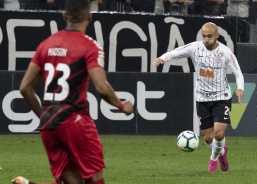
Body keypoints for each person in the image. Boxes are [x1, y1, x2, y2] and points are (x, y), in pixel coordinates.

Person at [11, 0, 133, 183]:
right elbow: (101, 87)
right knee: (95, 177)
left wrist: (44, 116)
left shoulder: (45, 45)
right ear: (89, 16)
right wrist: (123, 106)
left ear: (64, 15)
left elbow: (24, 87)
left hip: (49, 127)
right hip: (75, 121)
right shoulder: (89, 46)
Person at [152, 22, 244, 172]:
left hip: (222, 97)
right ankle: (222, 152)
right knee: (208, 138)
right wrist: (162, 58)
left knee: (219, 133)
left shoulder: (226, 52)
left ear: (217, 36)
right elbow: (177, 51)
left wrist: (240, 88)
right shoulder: (195, 47)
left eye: (210, 36)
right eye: (204, 36)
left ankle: (213, 159)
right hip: (202, 98)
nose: (206, 39)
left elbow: (238, 73)